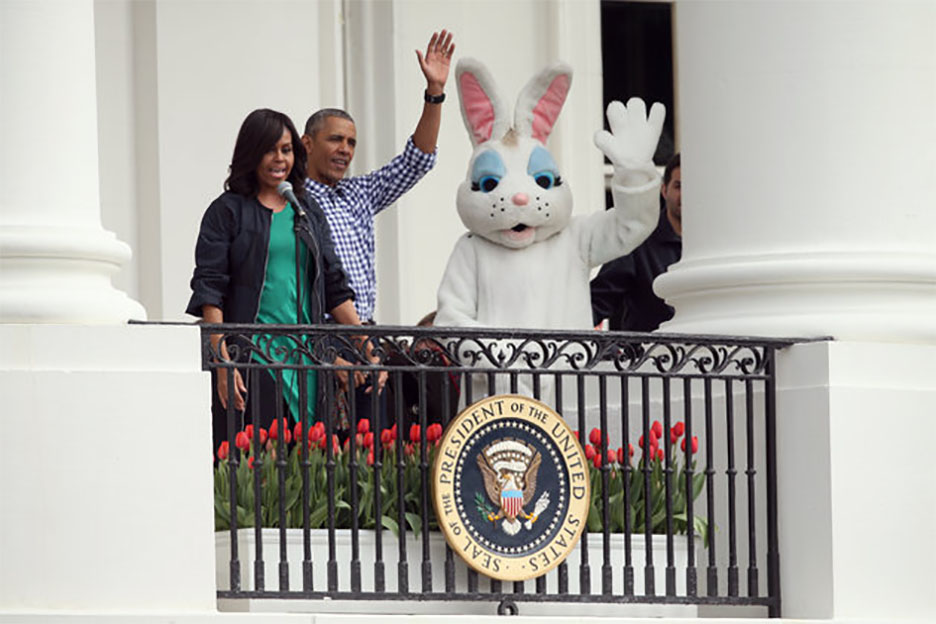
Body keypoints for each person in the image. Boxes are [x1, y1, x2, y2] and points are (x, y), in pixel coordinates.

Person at [186, 108, 372, 453]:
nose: (279, 158)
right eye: (270, 150)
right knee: (259, 467)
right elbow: (210, 290)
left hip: (307, 358)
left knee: (310, 468)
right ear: (251, 154)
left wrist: (366, 344)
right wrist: (224, 362)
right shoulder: (227, 211)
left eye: (286, 150)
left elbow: (334, 285)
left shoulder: (305, 210)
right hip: (254, 358)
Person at [301, 28, 455, 324]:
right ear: (307, 144)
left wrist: (434, 92)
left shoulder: (359, 193)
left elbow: (417, 161)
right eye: (335, 139)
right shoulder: (290, 201)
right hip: (318, 335)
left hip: (364, 331)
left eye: (351, 143)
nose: (345, 149)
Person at [590, 153, 682, 332]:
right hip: (647, 357)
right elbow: (598, 301)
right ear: (664, 190)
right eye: (679, 186)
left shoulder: (717, 244)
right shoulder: (639, 240)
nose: (687, 194)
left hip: (710, 357)